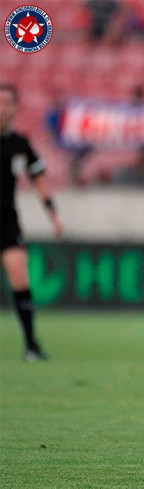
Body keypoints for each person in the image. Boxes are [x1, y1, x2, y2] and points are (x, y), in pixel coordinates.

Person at [0, 83, 63, 361]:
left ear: (14, 107)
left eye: (7, 103)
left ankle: (31, 345)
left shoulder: (19, 144)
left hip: (7, 223)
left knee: (19, 278)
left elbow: (38, 180)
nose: (2, 108)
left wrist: (53, 214)